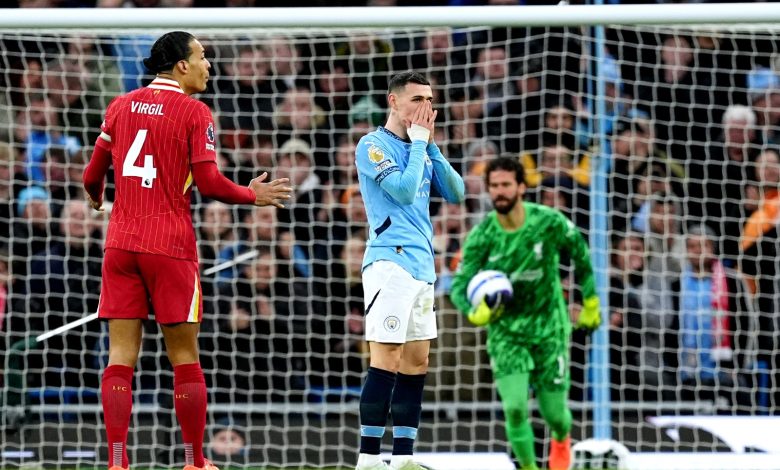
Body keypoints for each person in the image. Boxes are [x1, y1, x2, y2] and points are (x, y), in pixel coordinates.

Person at [81, 31, 292, 470]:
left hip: (121, 243)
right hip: (170, 247)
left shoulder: (120, 105)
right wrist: (252, 195)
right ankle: (195, 461)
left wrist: (98, 198)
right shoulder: (195, 112)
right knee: (183, 358)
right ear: (181, 65)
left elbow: (91, 175)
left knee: (120, 358)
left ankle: (117, 462)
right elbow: (210, 183)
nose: (207, 64)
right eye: (202, 56)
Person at [449, 156, 601, 470]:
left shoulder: (548, 221)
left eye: (506, 184)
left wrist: (590, 304)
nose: (500, 191)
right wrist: (474, 312)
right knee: (515, 408)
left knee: (555, 415)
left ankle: (561, 438)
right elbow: (459, 286)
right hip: (507, 333)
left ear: (521, 187)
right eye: (494, 186)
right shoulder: (482, 236)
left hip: (549, 328)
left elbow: (581, 254)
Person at [354, 71, 464, 470]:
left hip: (422, 266)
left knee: (417, 363)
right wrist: (419, 144)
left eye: (430, 100)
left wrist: (429, 146)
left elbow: (457, 192)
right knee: (387, 358)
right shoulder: (372, 145)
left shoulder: (422, 148)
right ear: (393, 101)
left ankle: (403, 458)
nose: (426, 108)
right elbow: (401, 191)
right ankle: (368, 458)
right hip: (389, 263)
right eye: (417, 99)